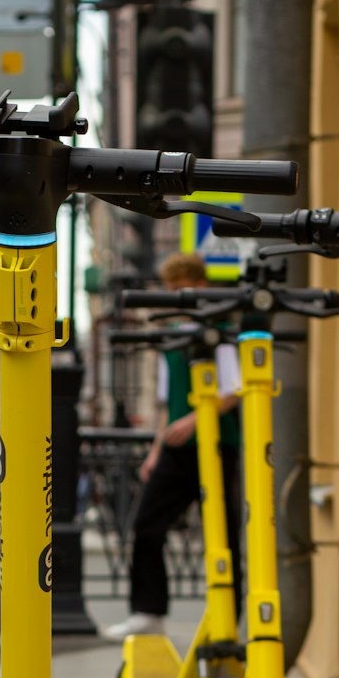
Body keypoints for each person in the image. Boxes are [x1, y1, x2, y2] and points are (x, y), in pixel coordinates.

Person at [104, 251, 243, 641]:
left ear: (199, 285)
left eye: (179, 289)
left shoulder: (219, 330)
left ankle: (229, 618)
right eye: (170, 290)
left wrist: (196, 418)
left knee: (224, 534)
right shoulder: (173, 335)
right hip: (178, 448)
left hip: (216, 444)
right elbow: (168, 402)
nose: (174, 297)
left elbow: (234, 390)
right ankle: (147, 613)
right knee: (147, 525)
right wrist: (155, 451)